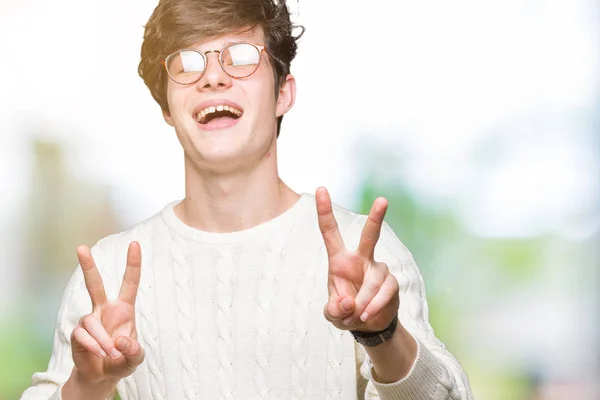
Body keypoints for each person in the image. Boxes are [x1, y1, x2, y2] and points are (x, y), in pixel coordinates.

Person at [21, 0, 473, 398]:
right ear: (166, 108)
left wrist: (384, 334)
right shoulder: (109, 272)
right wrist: (88, 386)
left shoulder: (365, 254)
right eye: (187, 63)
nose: (213, 77)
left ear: (283, 93)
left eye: (240, 57)